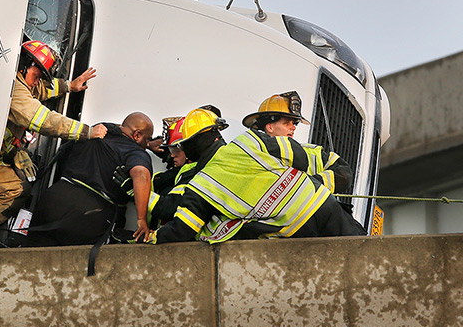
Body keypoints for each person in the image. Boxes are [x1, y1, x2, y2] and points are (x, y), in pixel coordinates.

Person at [146, 107, 366, 244]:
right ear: (216, 132)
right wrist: (317, 183)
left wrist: (153, 236)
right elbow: (314, 158)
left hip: (296, 229)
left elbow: (183, 229)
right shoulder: (249, 141)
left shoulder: (201, 184)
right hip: (323, 204)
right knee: (369, 257)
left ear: (192, 144)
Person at [0, 40, 107, 232]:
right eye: (37, 75)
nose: (37, 82)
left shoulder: (19, 79)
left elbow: (41, 88)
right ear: (24, 66)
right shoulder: (15, 89)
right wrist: (86, 131)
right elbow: (43, 120)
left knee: (17, 188)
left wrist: (69, 86)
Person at [25, 112, 154, 247]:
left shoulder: (96, 131)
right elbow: (141, 175)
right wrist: (141, 219)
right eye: (148, 139)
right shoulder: (135, 152)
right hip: (88, 215)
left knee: (30, 258)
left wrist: (147, 142)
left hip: (52, 202)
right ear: (137, 135)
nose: (147, 144)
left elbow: (120, 128)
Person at [242, 91, 353, 194]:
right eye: (286, 123)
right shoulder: (251, 157)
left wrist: (309, 185)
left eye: (294, 123)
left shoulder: (312, 153)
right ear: (270, 127)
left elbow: (344, 174)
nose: (293, 128)